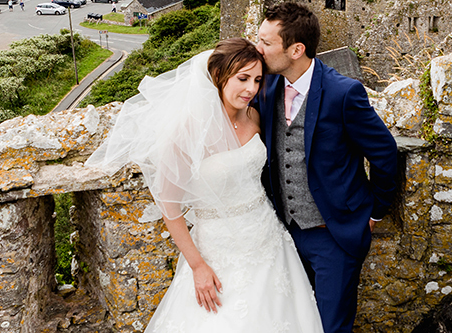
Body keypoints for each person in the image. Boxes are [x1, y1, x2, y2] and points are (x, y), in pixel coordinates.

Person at [87, 39, 324, 332]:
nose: (251, 88)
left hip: (267, 240)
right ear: (219, 77)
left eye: (257, 79)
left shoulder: (254, 117)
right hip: (217, 248)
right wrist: (198, 266)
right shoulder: (187, 132)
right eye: (242, 78)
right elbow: (169, 207)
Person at [255, 3, 398, 333]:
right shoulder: (266, 86)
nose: (257, 49)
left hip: (333, 235)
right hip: (285, 232)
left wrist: (376, 211)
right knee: (292, 321)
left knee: (331, 326)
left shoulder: (343, 92)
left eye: (265, 42)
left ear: (296, 49)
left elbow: (384, 152)